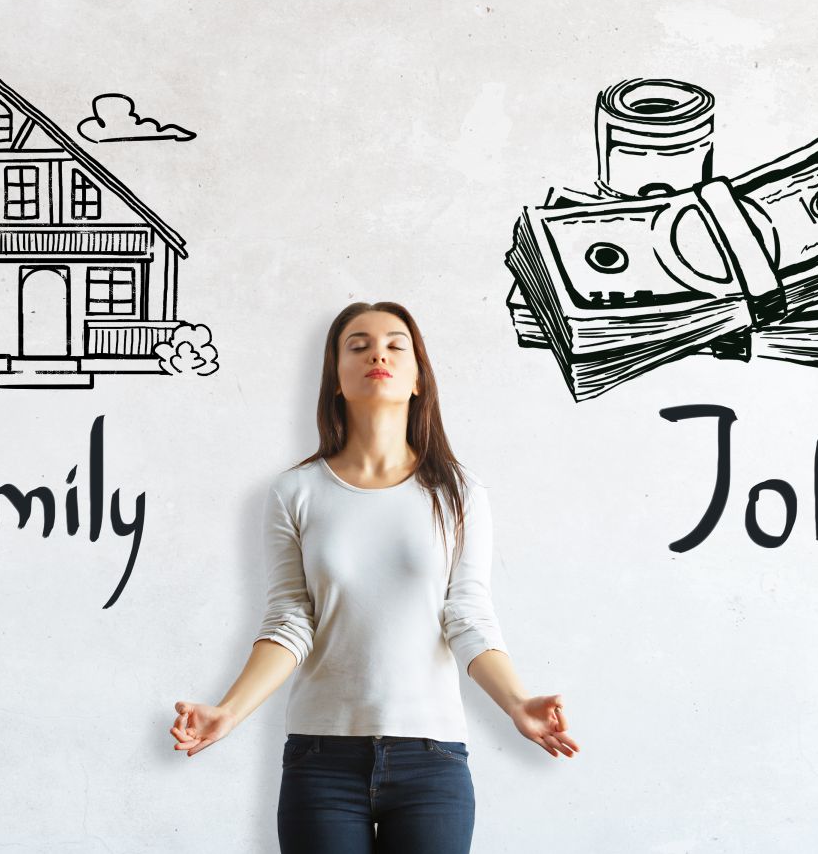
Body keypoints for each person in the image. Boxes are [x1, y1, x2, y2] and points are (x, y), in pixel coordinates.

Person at [171, 302, 578, 853]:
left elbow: (468, 617)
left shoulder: (459, 495)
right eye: (357, 346)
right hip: (322, 759)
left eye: (395, 345)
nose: (377, 353)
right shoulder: (295, 493)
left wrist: (516, 703)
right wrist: (229, 710)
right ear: (335, 379)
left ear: (417, 379)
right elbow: (291, 619)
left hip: (432, 760)